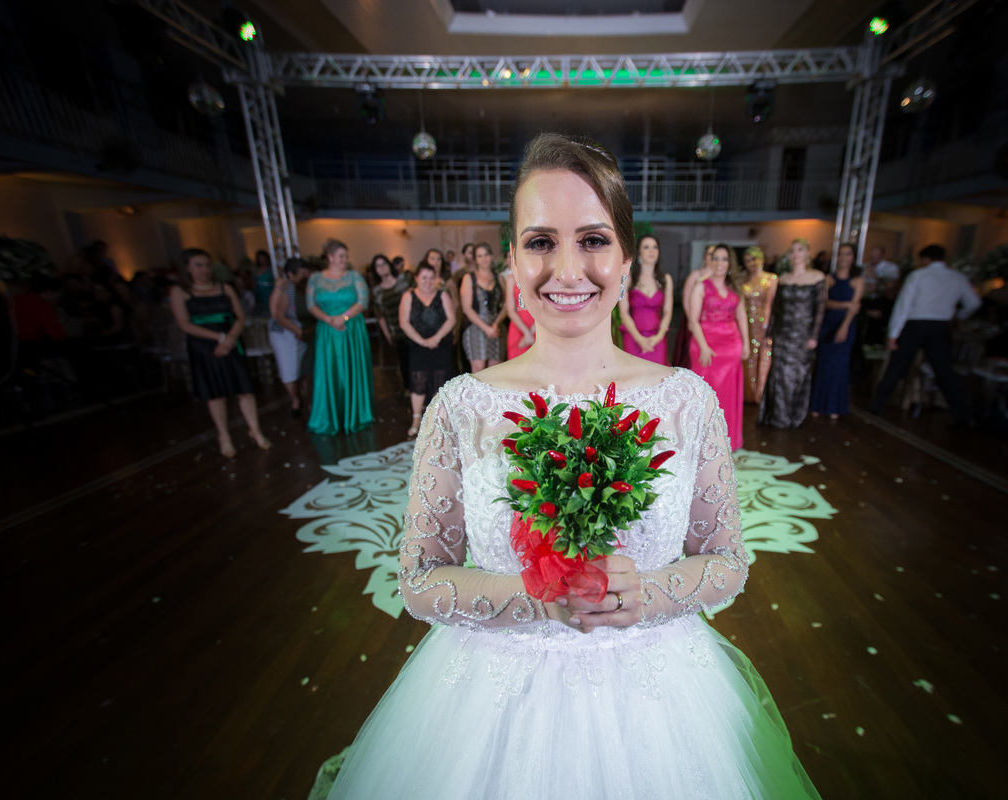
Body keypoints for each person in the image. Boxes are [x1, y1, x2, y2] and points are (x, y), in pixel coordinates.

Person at [319, 132, 820, 800]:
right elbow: (418, 580)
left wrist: (648, 593)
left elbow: (726, 560)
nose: (567, 269)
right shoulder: (460, 407)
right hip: (488, 711)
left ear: (623, 250)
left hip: (662, 710)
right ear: (511, 260)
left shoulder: (687, 401)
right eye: (540, 241)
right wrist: (541, 601)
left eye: (591, 239)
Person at [168, 248, 270, 458]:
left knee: (245, 390)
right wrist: (219, 339)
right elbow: (184, 324)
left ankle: (256, 431)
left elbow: (240, 317)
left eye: (207, 265)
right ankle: (223, 435)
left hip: (231, 342)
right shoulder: (179, 292)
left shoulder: (225, 288)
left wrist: (230, 338)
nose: (204, 269)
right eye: (198, 265)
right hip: (205, 346)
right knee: (216, 394)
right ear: (187, 267)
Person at [868, 243, 981, 425]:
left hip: (915, 324)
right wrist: (958, 315)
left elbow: (903, 306)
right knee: (944, 370)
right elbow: (974, 302)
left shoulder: (918, 276)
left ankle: (878, 406)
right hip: (941, 326)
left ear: (926, 259)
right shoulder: (957, 277)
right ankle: (963, 415)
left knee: (896, 367)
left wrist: (893, 333)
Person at [306, 239, 375, 436]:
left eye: (346, 256)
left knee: (353, 369)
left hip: (351, 329)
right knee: (330, 370)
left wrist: (343, 317)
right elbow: (311, 305)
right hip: (327, 331)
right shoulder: (315, 278)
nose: (345, 259)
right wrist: (329, 319)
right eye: (341, 256)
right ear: (330, 257)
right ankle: (330, 417)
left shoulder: (354, 276)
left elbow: (363, 300)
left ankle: (357, 415)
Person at [759, 238, 826, 430]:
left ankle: (793, 416)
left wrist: (814, 335)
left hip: (803, 336)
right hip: (782, 333)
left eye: (799, 250)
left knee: (797, 376)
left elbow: (819, 310)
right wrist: (769, 334)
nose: (795, 254)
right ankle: (776, 416)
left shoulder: (818, 277)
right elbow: (776, 309)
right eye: (792, 250)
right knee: (779, 375)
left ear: (807, 254)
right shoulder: (784, 278)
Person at [687, 244, 750, 450]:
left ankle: (726, 439)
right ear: (710, 261)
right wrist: (704, 346)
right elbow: (694, 320)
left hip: (731, 346)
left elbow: (741, 316)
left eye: (724, 259)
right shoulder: (701, 286)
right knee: (707, 393)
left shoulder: (735, 288)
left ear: (730, 263)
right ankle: (703, 441)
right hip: (707, 346)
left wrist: (746, 343)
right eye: (716, 259)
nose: (720, 263)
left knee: (728, 394)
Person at [398, 260, 456, 438]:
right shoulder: (408, 296)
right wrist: (422, 341)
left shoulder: (442, 295)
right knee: (418, 382)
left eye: (431, 278)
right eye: (424, 277)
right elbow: (404, 323)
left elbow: (451, 319)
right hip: (418, 346)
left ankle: (438, 420)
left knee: (440, 382)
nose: (428, 281)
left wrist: (436, 338)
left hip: (440, 345)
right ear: (416, 278)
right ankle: (416, 419)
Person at [810, 243, 864, 420]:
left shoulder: (858, 281)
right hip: (828, 324)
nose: (843, 258)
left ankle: (834, 406)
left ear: (853, 258)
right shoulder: (828, 279)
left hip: (845, 324)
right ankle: (817, 405)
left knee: (839, 366)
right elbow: (824, 302)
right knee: (823, 364)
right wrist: (846, 304)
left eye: (847, 254)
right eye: (841, 254)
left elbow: (855, 308)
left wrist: (845, 326)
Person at [618, 234, 673, 364]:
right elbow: (624, 312)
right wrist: (639, 339)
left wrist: (659, 336)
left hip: (657, 339)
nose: (652, 251)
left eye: (655, 247)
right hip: (633, 337)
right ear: (639, 252)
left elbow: (668, 312)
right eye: (646, 247)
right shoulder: (628, 278)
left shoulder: (666, 279)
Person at [269, 257, 310, 417]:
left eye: (306, 273)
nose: (304, 276)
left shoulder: (307, 287)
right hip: (284, 333)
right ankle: (295, 400)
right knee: (289, 369)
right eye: (301, 273)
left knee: (305, 367)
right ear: (290, 274)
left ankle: (309, 401)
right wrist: (296, 331)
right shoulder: (285, 288)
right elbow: (277, 315)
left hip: (302, 331)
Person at [741, 245, 778, 403]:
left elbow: (772, 304)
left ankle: (759, 394)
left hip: (763, 324)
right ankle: (746, 392)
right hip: (745, 324)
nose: (751, 263)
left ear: (761, 258)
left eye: (754, 258)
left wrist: (768, 327)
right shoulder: (743, 279)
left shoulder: (771, 278)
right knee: (747, 358)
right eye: (748, 260)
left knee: (762, 357)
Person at [369, 253, 411, 391]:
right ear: (375, 270)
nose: (381, 267)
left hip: (416, 327)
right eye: (377, 265)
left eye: (383, 264)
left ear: (389, 265)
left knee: (420, 363)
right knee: (405, 363)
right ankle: (410, 394)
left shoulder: (403, 280)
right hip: (397, 331)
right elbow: (380, 315)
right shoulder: (377, 291)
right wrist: (387, 334)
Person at [460, 242, 504, 372]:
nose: (483, 259)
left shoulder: (499, 278)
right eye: (479, 256)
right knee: (478, 369)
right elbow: (466, 309)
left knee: (496, 370)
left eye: (486, 255)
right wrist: (486, 328)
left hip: (496, 326)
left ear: (491, 256)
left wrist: (496, 324)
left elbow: (507, 305)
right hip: (475, 326)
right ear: (475, 259)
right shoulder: (469, 278)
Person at [672, 243, 716, 367]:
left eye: (715, 255)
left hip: (712, 322)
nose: (712, 257)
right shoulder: (696, 275)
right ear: (705, 256)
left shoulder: (719, 276)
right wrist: (691, 320)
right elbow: (686, 298)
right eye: (710, 254)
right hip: (694, 319)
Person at [504, 238, 536, 359]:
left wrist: (533, 331)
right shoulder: (510, 279)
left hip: (537, 323)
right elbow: (510, 310)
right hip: (518, 325)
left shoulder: (535, 277)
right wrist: (526, 332)